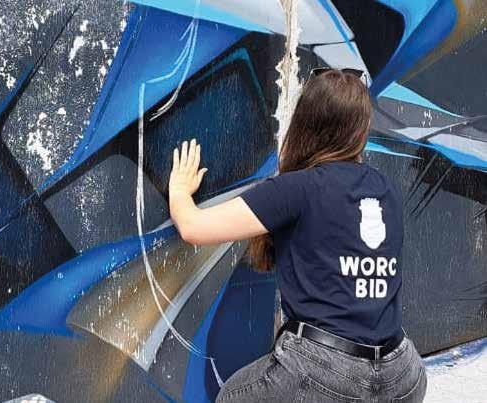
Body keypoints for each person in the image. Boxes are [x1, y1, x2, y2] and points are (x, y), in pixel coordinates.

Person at [167, 68, 427, 402]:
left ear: (305, 122)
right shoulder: (385, 189)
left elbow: (193, 228)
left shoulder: (298, 189)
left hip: (330, 373)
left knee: (234, 396)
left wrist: (179, 190)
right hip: (403, 376)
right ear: (361, 129)